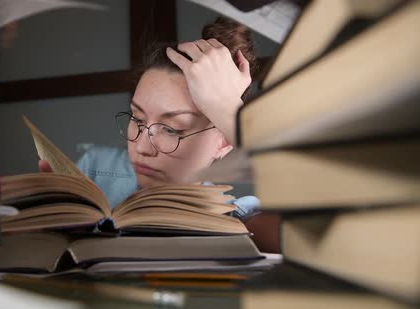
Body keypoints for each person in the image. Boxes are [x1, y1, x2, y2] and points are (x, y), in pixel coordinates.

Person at [40, 17, 279, 252]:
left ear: (225, 141)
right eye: (137, 119)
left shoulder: (237, 219)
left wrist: (230, 111)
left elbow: (313, 236)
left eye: (171, 129)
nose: (142, 147)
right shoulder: (95, 170)